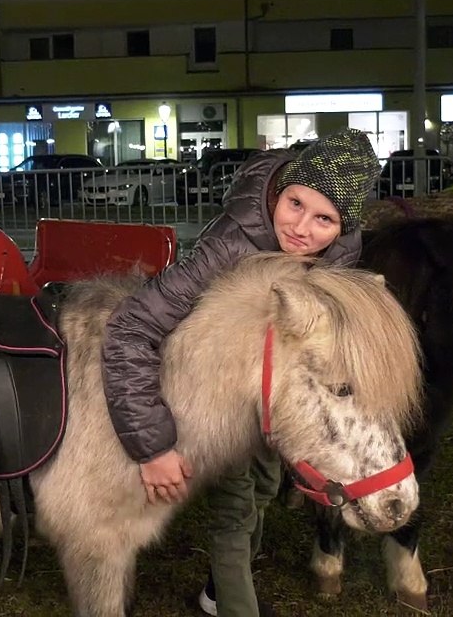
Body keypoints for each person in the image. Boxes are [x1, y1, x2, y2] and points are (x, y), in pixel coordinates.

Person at [101, 129, 383, 617]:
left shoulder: (338, 256)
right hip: (214, 392)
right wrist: (152, 445)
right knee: (235, 510)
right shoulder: (229, 246)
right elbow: (131, 327)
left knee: (264, 489)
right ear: (280, 191)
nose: (301, 228)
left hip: (268, 397)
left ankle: (217, 592)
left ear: (343, 227)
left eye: (324, 219)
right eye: (295, 203)